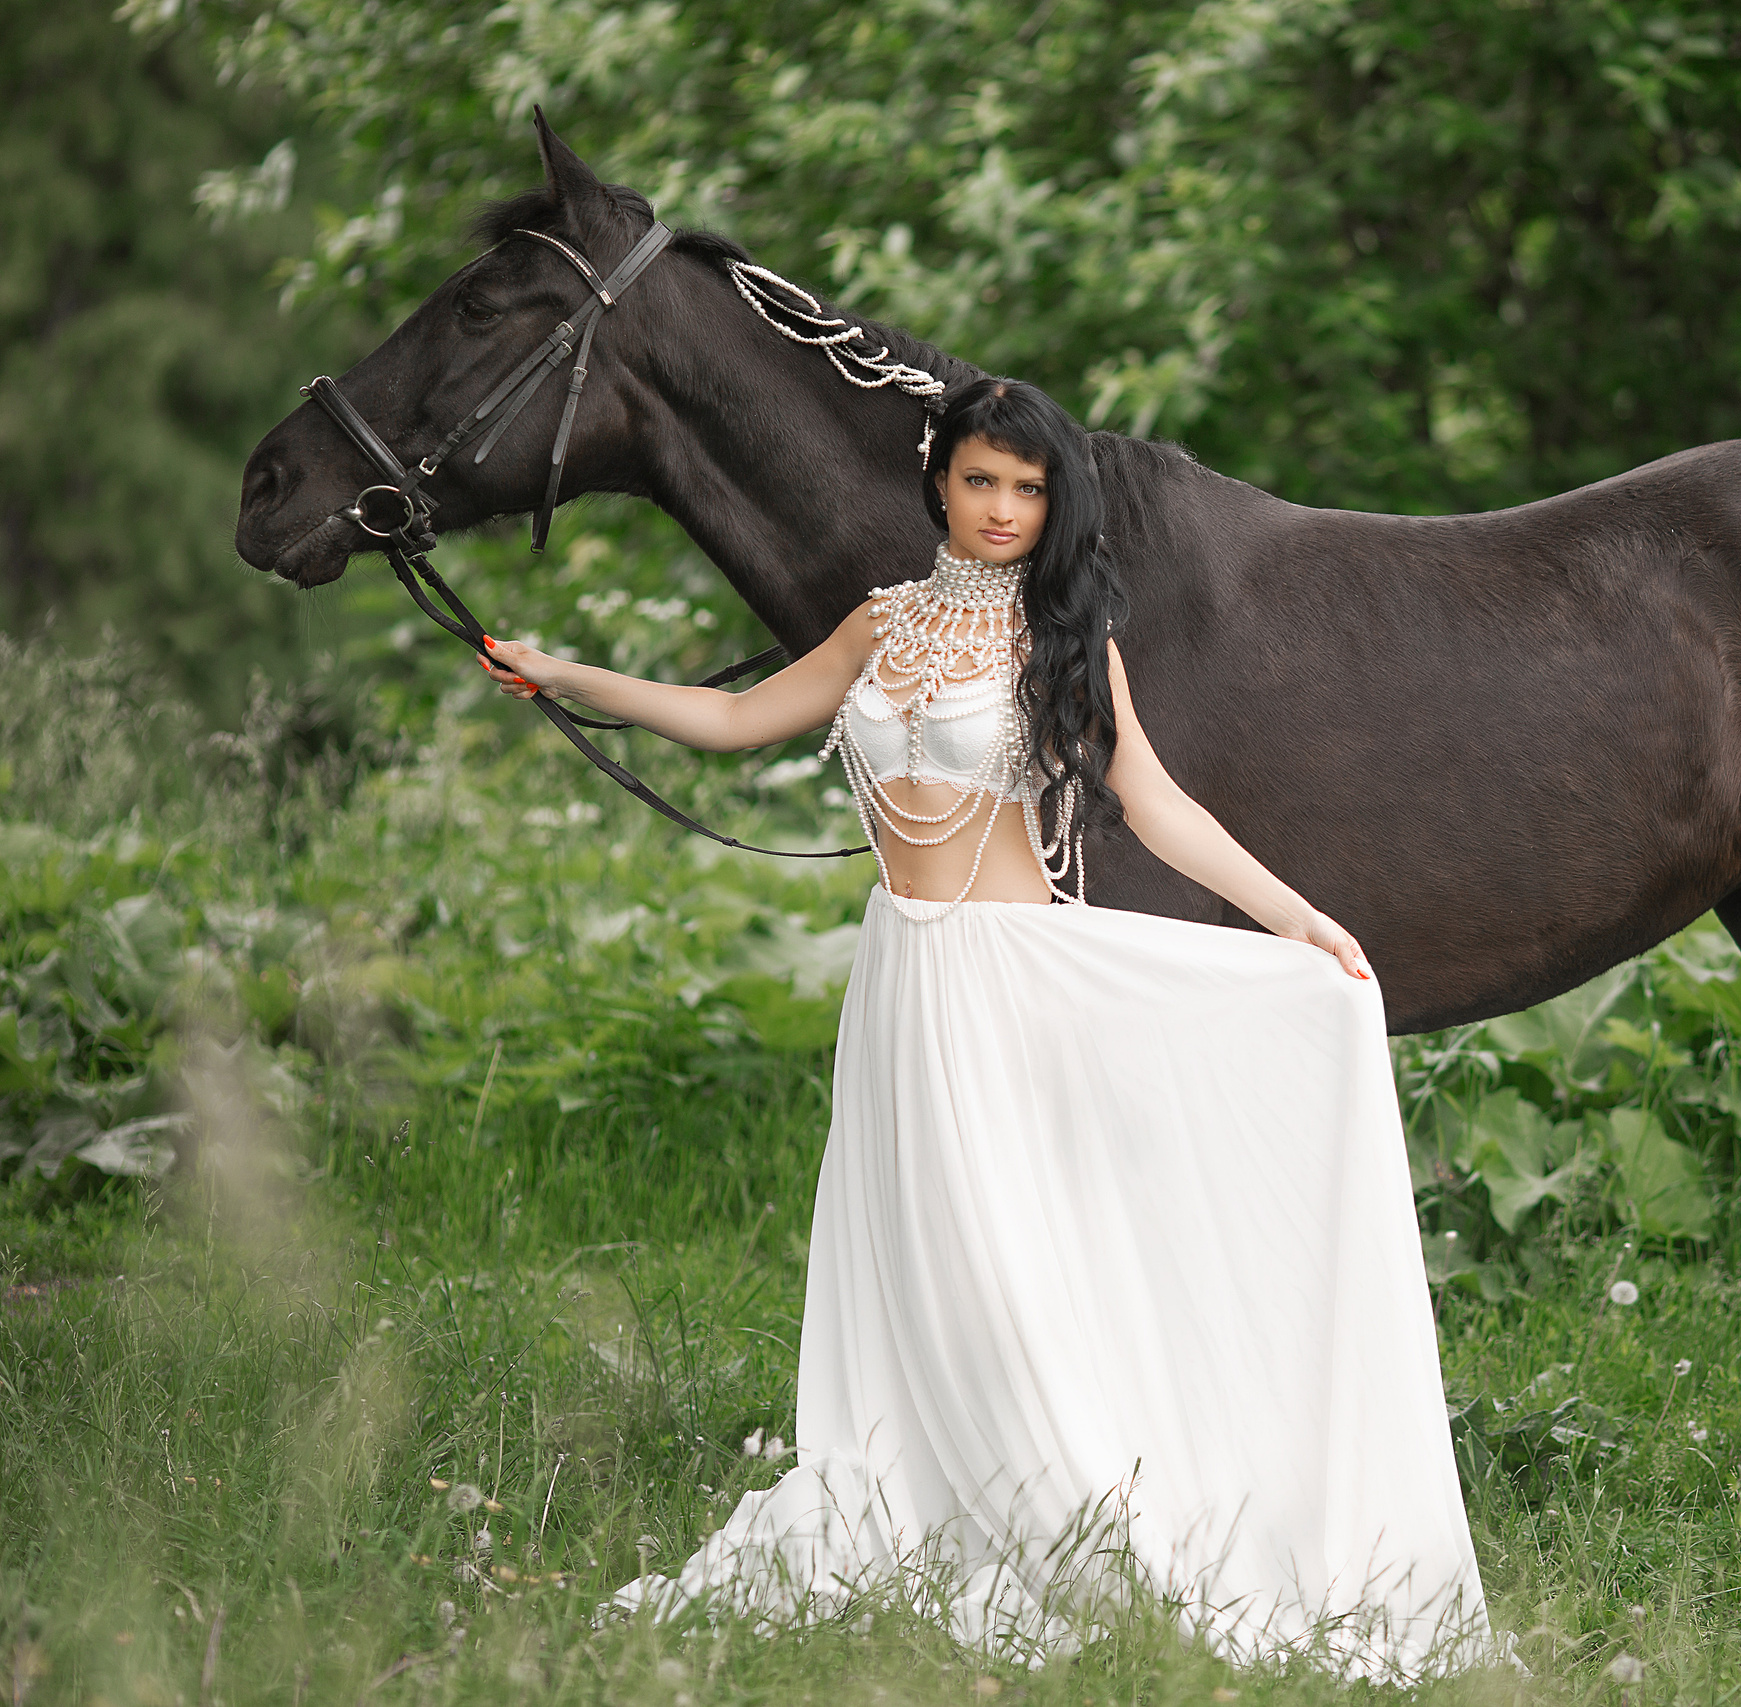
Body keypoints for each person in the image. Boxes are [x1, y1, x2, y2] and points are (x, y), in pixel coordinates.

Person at [478, 377, 1495, 1675]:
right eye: (981, 481)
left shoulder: (1062, 642)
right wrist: (569, 675)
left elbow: (1157, 806)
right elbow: (734, 719)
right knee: (922, 1259)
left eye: (1030, 487)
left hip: (1012, 986)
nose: (1005, 509)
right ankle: (937, 1484)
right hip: (902, 980)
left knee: (1012, 1270)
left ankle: (1079, 1508)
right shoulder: (881, 623)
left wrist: (1298, 919)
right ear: (939, 483)